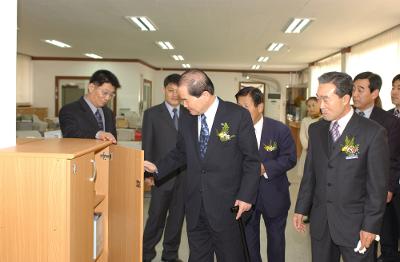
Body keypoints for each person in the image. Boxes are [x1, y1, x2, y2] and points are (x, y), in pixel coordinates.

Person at [144, 69, 260, 262]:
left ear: (205, 95)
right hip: (195, 205)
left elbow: (251, 160)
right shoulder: (188, 118)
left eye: (186, 100)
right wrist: (157, 168)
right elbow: (180, 152)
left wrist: (246, 196)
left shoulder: (237, 115)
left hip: (228, 206)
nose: (184, 104)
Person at [293, 71, 390, 262]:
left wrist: (370, 226)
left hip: (355, 224)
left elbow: (377, 187)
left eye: (326, 100)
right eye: (319, 99)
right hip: (321, 221)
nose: (321, 106)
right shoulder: (316, 129)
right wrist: (301, 207)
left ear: (345, 99)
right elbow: (311, 173)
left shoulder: (372, 133)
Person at [235, 86, 297, 262]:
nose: (241, 111)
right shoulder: (234, 131)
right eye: (238, 106)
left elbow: (290, 158)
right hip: (246, 196)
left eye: (245, 106)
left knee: (276, 242)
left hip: (274, 194)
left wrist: (265, 168)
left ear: (260, 107)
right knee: (248, 241)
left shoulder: (279, 129)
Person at [353, 72, 400, 262]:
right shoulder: (346, 116)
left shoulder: (389, 122)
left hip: (377, 187)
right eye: (353, 89)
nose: (355, 94)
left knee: (379, 231)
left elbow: (393, 158)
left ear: (374, 93)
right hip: (351, 187)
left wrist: (389, 187)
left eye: (360, 90)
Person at [142, 74, 186, 262]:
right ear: (164, 90)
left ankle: (170, 255)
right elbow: (148, 144)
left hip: (184, 176)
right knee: (156, 218)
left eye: (178, 91)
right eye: (171, 90)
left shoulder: (190, 113)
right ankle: (145, 254)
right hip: (161, 176)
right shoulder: (152, 114)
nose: (174, 95)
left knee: (176, 220)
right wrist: (147, 174)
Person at [59, 69, 119, 143]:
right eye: (105, 93)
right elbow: (70, 133)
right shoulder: (69, 110)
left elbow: (113, 141)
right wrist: (98, 134)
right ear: (91, 87)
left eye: (111, 95)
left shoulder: (109, 113)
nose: (107, 98)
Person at [298, 97, 321, 178]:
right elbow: (302, 136)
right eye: (309, 106)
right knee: (306, 176)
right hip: (307, 152)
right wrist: (308, 147)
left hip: (320, 153)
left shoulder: (324, 119)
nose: (311, 108)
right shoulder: (305, 120)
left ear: (319, 105)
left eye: (313, 105)